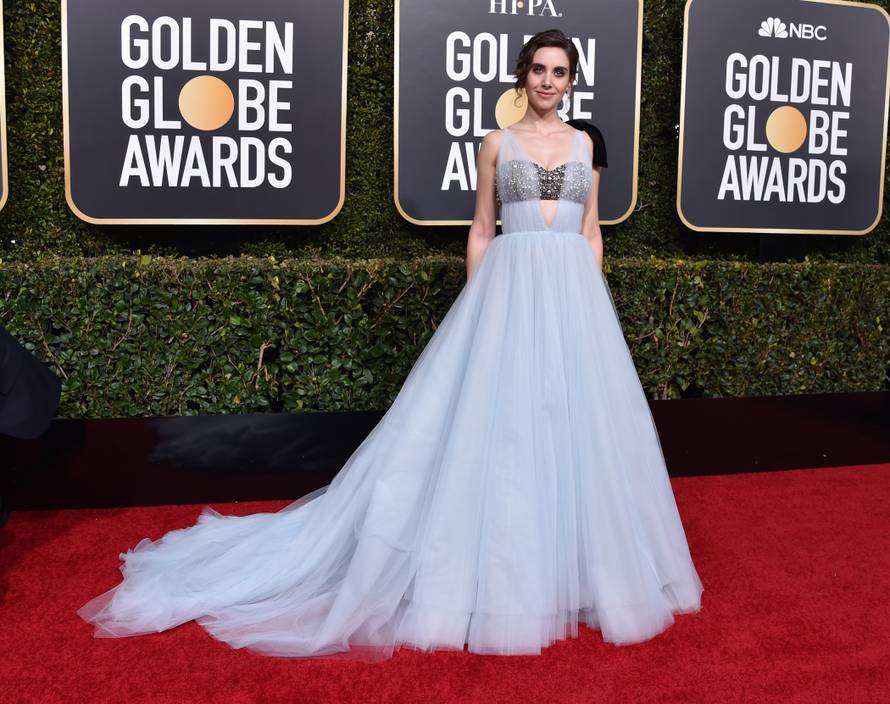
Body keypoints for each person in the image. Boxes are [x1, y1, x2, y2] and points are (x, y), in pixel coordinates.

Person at [78, 29, 703, 661]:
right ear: (523, 75)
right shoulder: (496, 144)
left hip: (575, 301)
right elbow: (482, 229)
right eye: (538, 69)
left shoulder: (585, 144)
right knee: (505, 432)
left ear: (572, 80)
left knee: (576, 431)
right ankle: (500, 576)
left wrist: (590, 299)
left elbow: (592, 229)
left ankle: (580, 570)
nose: (548, 81)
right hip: (507, 297)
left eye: (559, 71)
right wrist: (480, 304)